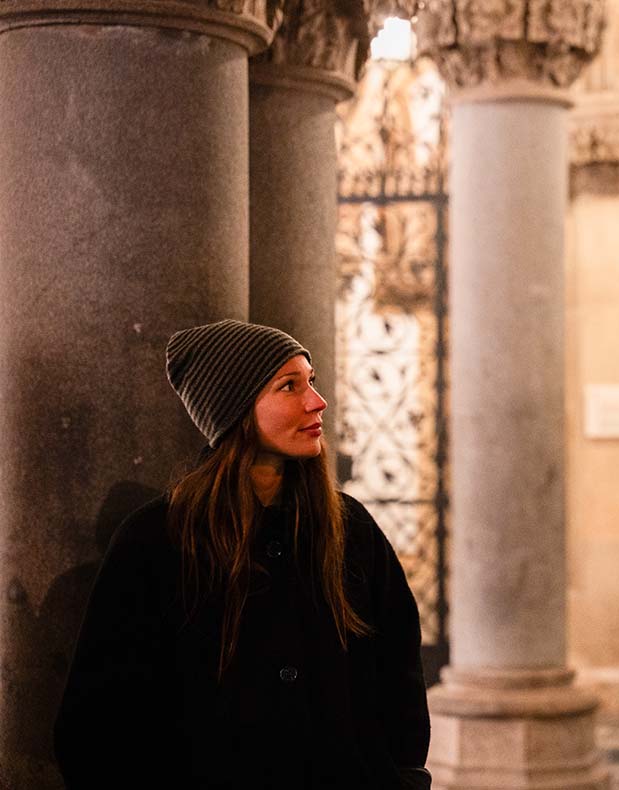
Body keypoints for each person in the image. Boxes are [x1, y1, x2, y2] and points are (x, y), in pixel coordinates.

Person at [55, 319, 431, 789]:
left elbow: (399, 678)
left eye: (311, 381)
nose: (317, 401)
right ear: (233, 409)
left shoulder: (349, 528)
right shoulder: (156, 539)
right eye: (289, 386)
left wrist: (403, 780)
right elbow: (95, 722)